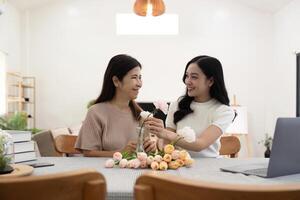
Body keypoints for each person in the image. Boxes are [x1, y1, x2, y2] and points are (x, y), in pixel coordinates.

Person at [145, 55, 235, 157]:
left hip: (209, 167)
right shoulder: (177, 105)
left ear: (210, 81)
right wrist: (158, 140)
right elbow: (166, 145)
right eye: (187, 76)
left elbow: (200, 144)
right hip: (179, 166)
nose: (187, 81)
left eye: (194, 77)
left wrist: (165, 133)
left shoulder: (223, 111)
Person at [75, 54, 157, 157]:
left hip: (136, 172)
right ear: (116, 81)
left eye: (140, 77)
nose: (139, 83)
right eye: (134, 77)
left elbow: (144, 154)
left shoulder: (141, 115)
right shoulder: (95, 112)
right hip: (103, 172)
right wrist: (120, 153)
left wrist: (150, 149)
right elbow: (88, 153)